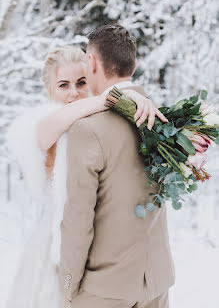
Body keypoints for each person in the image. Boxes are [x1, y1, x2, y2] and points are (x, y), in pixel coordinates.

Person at [5, 44, 165, 308]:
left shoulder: (103, 123)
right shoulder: (45, 125)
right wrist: (117, 97)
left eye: (81, 82)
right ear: (50, 90)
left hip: (108, 253)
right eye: (63, 85)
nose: (74, 93)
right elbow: (52, 129)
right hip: (61, 248)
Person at [59, 24, 176, 308]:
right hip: (155, 282)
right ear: (134, 65)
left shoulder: (87, 130)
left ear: (92, 63)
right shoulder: (167, 123)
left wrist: (68, 283)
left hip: (104, 289)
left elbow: (79, 217)